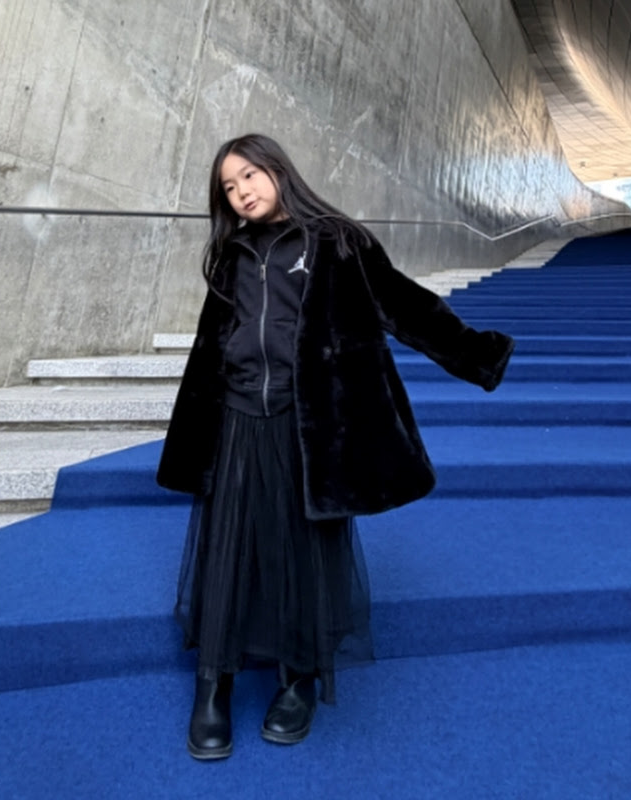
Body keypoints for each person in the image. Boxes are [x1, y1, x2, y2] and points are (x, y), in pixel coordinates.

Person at [156, 133, 515, 760]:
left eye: (249, 176)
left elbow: (405, 305)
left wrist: (476, 354)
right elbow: (211, 344)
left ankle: (298, 680)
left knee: (304, 550)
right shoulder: (232, 255)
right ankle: (213, 684)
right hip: (236, 418)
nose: (241, 193)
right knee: (226, 549)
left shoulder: (338, 241)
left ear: (277, 169)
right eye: (229, 187)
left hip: (307, 425)